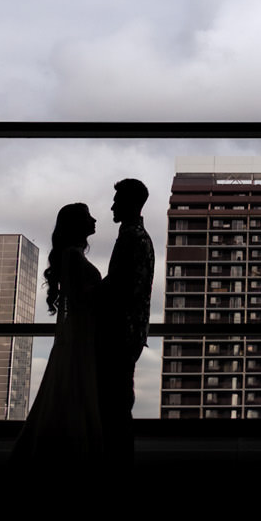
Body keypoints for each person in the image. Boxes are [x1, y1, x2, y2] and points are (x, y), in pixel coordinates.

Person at [10, 204, 104, 466]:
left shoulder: (70, 256)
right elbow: (81, 299)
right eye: (88, 217)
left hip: (78, 336)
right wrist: (107, 287)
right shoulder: (73, 257)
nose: (94, 220)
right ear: (77, 225)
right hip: (81, 337)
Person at [97, 178, 155, 463]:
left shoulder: (132, 238)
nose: (112, 206)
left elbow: (118, 287)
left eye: (117, 200)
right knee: (119, 406)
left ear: (130, 203)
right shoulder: (139, 237)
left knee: (115, 408)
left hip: (119, 335)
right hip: (129, 335)